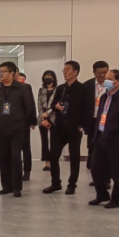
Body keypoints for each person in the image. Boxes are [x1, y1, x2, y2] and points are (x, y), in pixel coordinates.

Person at [0, 61, 36, 197]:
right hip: (0, 129)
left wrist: (24, 121)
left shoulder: (22, 89)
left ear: (12, 73)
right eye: (0, 72)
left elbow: (29, 107)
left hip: (17, 129)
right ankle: (6, 186)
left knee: (15, 157)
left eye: (4, 72)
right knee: (2, 158)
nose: (1, 74)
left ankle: (17, 187)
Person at [89, 69, 119, 209]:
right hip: (100, 137)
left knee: (116, 171)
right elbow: (100, 116)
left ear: (118, 81)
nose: (105, 81)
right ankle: (102, 194)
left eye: (109, 79)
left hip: (115, 140)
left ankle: (116, 199)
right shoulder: (104, 97)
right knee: (95, 168)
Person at [43, 60, 88, 195]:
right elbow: (53, 106)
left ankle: (72, 184)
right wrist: (56, 107)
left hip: (74, 128)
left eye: (67, 69)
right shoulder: (60, 88)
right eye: (64, 70)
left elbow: (86, 109)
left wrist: (82, 126)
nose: (64, 72)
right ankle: (55, 183)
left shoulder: (82, 89)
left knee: (74, 157)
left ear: (75, 72)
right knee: (53, 156)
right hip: (59, 128)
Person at [81, 60, 109, 180]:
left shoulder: (111, 85)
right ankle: (96, 177)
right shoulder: (87, 85)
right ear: (94, 72)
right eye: (99, 73)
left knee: (106, 148)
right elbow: (82, 105)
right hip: (92, 121)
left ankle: (106, 178)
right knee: (93, 147)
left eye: (105, 72)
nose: (102, 75)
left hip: (107, 121)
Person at [37, 70, 59, 172]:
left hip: (54, 117)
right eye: (45, 76)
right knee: (44, 141)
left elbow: (57, 104)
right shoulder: (41, 90)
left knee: (54, 141)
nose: (47, 78)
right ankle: (47, 163)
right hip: (43, 119)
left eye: (49, 76)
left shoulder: (58, 89)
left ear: (53, 78)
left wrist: (48, 112)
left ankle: (54, 161)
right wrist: (43, 117)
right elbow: (39, 104)